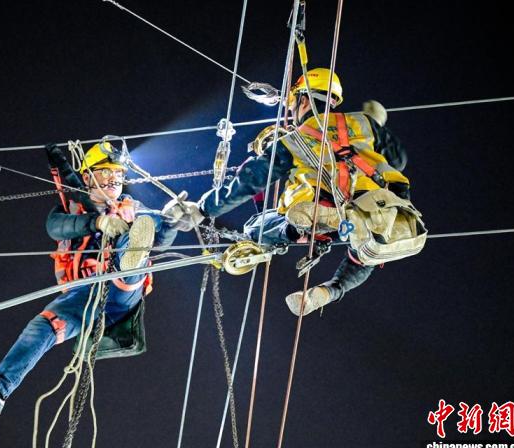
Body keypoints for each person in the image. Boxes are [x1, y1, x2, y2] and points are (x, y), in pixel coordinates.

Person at [165, 67, 423, 317]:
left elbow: (250, 179)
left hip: (320, 206)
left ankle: (298, 231)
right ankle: (330, 291)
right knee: (367, 251)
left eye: (292, 105)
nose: (291, 112)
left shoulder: (292, 141)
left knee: (254, 227)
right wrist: (376, 125)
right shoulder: (362, 123)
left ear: (304, 100)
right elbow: (398, 158)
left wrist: (203, 209)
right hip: (377, 205)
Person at [0, 141, 180, 419]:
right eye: (105, 172)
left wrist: (173, 221)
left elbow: (160, 236)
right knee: (43, 326)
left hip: (121, 292)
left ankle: (130, 258)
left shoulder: (133, 208)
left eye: (118, 174)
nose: (113, 179)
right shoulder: (73, 210)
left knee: (133, 244)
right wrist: (97, 223)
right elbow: (55, 227)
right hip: (84, 295)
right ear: (88, 177)